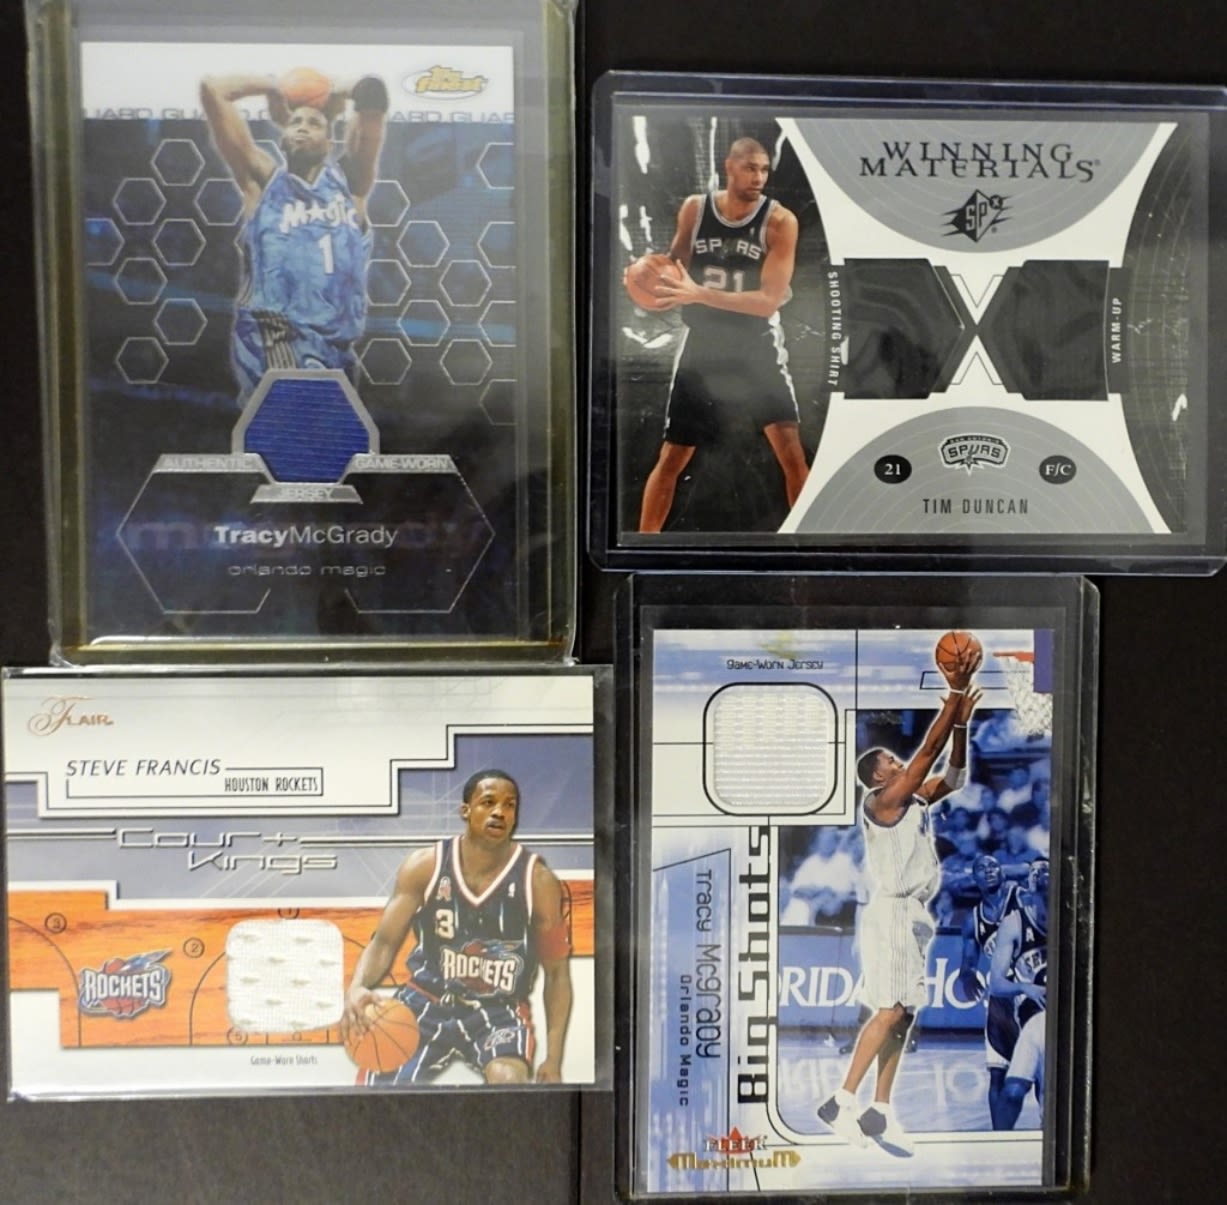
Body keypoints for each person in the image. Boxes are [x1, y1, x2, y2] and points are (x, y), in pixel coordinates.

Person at [817, 642, 983, 1156]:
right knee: (889, 1010)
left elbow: (953, 775)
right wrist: (953, 692)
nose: (899, 761)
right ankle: (840, 1102)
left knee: (904, 1013)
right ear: (878, 776)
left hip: (913, 913)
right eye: (891, 759)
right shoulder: (883, 801)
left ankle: (880, 1110)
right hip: (890, 910)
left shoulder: (911, 798)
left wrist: (961, 722)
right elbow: (928, 752)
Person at [341, 770, 572, 1085]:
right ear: (465, 810)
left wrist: (554, 1059)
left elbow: (557, 973)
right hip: (426, 998)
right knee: (380, 1085)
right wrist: (357, 986)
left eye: (509, 805)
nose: (499, 812)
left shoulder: (538, 881)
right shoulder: (425, 866)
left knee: (509, 1080)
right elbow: (384, 942)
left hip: (497, 1008)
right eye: (488, 802)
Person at [636, 138, 809, 532]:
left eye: (764, 169)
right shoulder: (695, 210)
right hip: (704, 345)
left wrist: (699, 294)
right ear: (729, 167)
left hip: (757, 343)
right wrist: (643, 277)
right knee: (672, 456)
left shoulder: (780, 221)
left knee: (791, 453)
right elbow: (674, 268)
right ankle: (644, 543)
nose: (759, 177)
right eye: (750, 168)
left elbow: (767, 301)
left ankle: (809, 542)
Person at [200, 68, 388, 398]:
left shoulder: (351, 186)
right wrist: (275, 87)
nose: (302, 126)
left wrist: (336, 93)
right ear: (282, 138)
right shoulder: (262, 183)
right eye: (295, 122)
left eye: (314, 124)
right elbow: (213, 90)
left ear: (329, 143)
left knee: (331, 432)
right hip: (276, 339)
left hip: (337, 348)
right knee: (291, 424)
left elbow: (373, 97)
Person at [956, 854, 1022, 1128]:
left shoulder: (1020, 896)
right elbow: (968, 963)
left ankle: (1046, 1128)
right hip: (1001, 999)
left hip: (1031, 992)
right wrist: (967, 974)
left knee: (1041, 1072)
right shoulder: (973, 920)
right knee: (997, 1074)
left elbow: (1034, 869)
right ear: (975, 878)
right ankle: (999, 1136)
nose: (989, 871)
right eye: (982, 868)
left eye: (994, 866)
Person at [988, 858, 1049, 1129]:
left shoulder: (1073, 919)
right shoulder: (1015, 923)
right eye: (1035, 874)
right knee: (1011, 1090)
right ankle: (999, 1142)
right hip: (1031, 1014)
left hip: (1062, 1012)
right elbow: (996, 984)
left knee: (1045, 1093)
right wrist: (1025, 987)